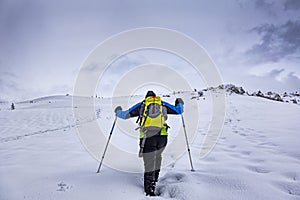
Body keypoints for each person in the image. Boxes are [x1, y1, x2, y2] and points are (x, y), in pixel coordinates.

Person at [115, 91, 184, 196]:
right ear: (154, 97)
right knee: (158, 157)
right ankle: (155, 181)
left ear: (146, 98)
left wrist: (118, 111)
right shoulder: (162, 104)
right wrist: (179, 102)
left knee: (149, 163)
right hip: (162, 137)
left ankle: (149, 191)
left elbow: (124, 115)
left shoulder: (142, 105)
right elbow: (179, 111)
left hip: (148, 137)